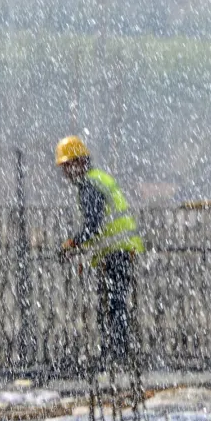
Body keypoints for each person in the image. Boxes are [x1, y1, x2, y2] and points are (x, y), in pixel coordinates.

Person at [55, 136, 145, 364]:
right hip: (121, 249)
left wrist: (73, 243)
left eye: (67, 166)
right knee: (114, 303)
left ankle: (116, 353)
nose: (65, 173)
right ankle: (117, 351)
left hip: (117, 250)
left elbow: (93, 225)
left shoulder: (90, 186)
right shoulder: (98, 179)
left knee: (113, 304)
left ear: (79, 162)